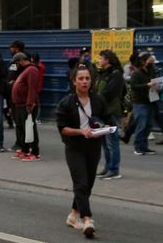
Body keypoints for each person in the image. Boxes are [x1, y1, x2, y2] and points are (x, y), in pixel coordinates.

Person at [56, 65, 106, 238]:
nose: (85, 82)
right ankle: (88, 220)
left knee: (87, 185)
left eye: (87, 79)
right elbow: (62, 128)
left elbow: (108, 119)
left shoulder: (98, 100)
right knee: (81, 184)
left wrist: (105, 127)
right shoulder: (67, 102)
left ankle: (72, 215)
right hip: (74, 147)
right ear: (74, 81)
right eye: (81, 79)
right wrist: (81, 131)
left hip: (93, 147)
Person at [93, 50, 125, 180]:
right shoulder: (102, 73)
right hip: (101, 112)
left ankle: (114, 169)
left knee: (112, 142)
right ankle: (108, 166)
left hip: (111, 112)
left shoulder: (116, 74)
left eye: (101, 58)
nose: (99, 60)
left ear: (107, 60)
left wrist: (96, 100)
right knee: (104, 143)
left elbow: (110, 92)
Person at [128, 53, 163, 155]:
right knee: (141, 125)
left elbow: (154, 83)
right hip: (140, 103)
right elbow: (133, 86)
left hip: (150, 101)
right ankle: (137, 147)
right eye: (149, 61)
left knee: (148, 125)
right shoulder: (137, 73)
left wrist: (157, 86)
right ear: (143, 61)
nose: (151, 63)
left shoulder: (151, 72)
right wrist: (147, 85)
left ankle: (144, 146)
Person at [10, 52, 42, 161]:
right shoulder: (26, 70)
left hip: (26, 105)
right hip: (20, 104)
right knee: (22, 128)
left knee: (29, 128)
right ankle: (25, 150)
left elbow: (32, 88)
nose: (16, 65)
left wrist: (30, 103)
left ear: (21, 60)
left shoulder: (32, 70)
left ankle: (35, 152)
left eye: (17, 63)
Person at [6, 40, 26, 129]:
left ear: (16, 49)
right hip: (12, 89)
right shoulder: (14, 60)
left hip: (19, 90)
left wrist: (16, 81)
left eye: (12, 48)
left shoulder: (22, 60)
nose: (10, 49)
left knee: (19, 116)